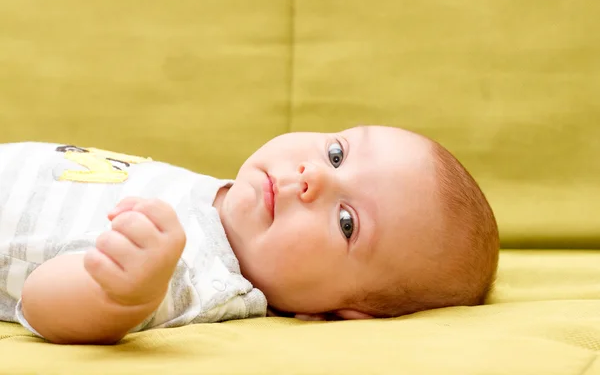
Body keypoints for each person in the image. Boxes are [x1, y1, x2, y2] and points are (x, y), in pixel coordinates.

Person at [0, 125, 499, 344]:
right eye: (337, 154)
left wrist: (115, 294)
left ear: (339, 312)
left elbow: (43, 302)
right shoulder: (220, 200)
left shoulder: (197, 275)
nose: (314, 177)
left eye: (347, 222)